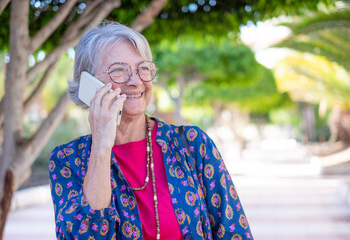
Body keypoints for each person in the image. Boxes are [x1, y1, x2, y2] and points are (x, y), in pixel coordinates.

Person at [48, 22, 253, 240]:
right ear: (89, 84)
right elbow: (86, 235)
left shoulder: (193, 144)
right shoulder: (66, 160)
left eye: (143, 68)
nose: (135, 81)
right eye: (119, 70)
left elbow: (234, 231)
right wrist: (101, 146)